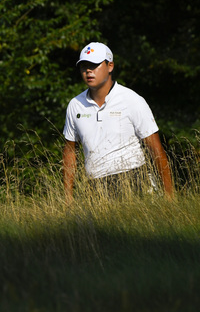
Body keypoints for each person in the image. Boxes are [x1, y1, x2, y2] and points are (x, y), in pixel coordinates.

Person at [62, 42, 174, 201]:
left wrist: (169, 197)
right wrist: (68, 198)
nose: (88, 71)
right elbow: (69, 151)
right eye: (84, 66)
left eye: (94, 65)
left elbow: (156, 150)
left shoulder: (132, 100)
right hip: (96, 186)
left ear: (110, 66)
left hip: (135, 180)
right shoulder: (75, 105)